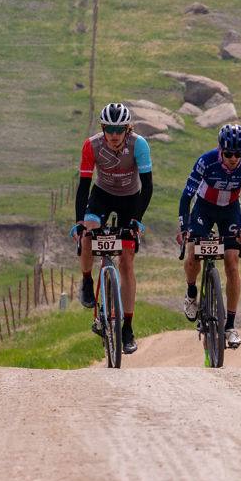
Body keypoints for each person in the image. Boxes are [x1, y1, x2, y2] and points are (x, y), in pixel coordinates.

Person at [72, 103, 153, 354]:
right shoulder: (92, 145)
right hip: (102, 195)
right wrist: (78, 221)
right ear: (103, 128)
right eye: (109, 128)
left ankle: (127, 328)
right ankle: (87, 280)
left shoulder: (139, 145)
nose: (114, 134)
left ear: (127, 129)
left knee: (127, 262)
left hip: (130, 198)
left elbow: (148, 186)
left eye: (119, 128)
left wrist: (137, 220)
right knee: (87, 237)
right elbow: (84, 186)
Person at [176, 124, 241, 350]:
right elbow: (186, 197)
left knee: (232, 262)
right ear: (220, 149)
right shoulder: (206, 161)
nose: (233, 158)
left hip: (230, 210)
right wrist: (185, 228)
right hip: (204, 208)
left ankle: (230, 326)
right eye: (229, 153)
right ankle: (192, 292)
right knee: (193, 254)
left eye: (238, 154)